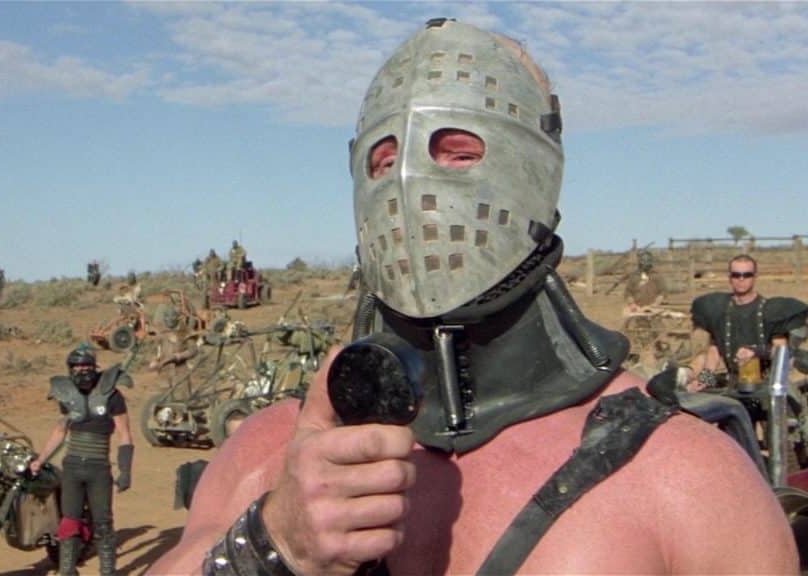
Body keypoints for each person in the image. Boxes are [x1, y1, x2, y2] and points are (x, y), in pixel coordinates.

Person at [151, 18, 797, 574]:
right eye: (385, 161)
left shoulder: (684, 479)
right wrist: (273, 545)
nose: (411, 186)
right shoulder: (270, 455)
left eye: (457, 153)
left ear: (535, 170)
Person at [30, 344, 134, 576]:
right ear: (70, 369)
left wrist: (125, 469)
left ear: (94, 367)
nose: (82, 371)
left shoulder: (112, 395)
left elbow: (125, 434)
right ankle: (67, 570)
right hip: (72, 467)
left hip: (99, 468)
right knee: (69, 521)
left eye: (87, 366)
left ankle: (108, 571)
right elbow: (60, 430)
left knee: (103, 522)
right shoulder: (66, 395)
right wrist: (41, 459)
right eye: (77, 367)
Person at [688, 254, 808, 391]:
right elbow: (714, 351)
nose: (741, 279)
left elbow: (781, 351)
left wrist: (756, 351)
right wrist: (704, 380)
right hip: (734, 386)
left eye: (747, 275)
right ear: (730, 278)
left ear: (755, 277)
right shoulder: (720, 310)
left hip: (768, 387)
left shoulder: (770, 311)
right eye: (736, 275)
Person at [623, 249, 667, 317]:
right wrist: (632, 304)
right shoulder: (634, 276)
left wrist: (656, 303)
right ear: (640, 263)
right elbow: (628, 292)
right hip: (637, 309)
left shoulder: (657, 276)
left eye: (647, 265)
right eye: (643, 264)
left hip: (653, 309)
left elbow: (663, 292)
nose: (645, 267)